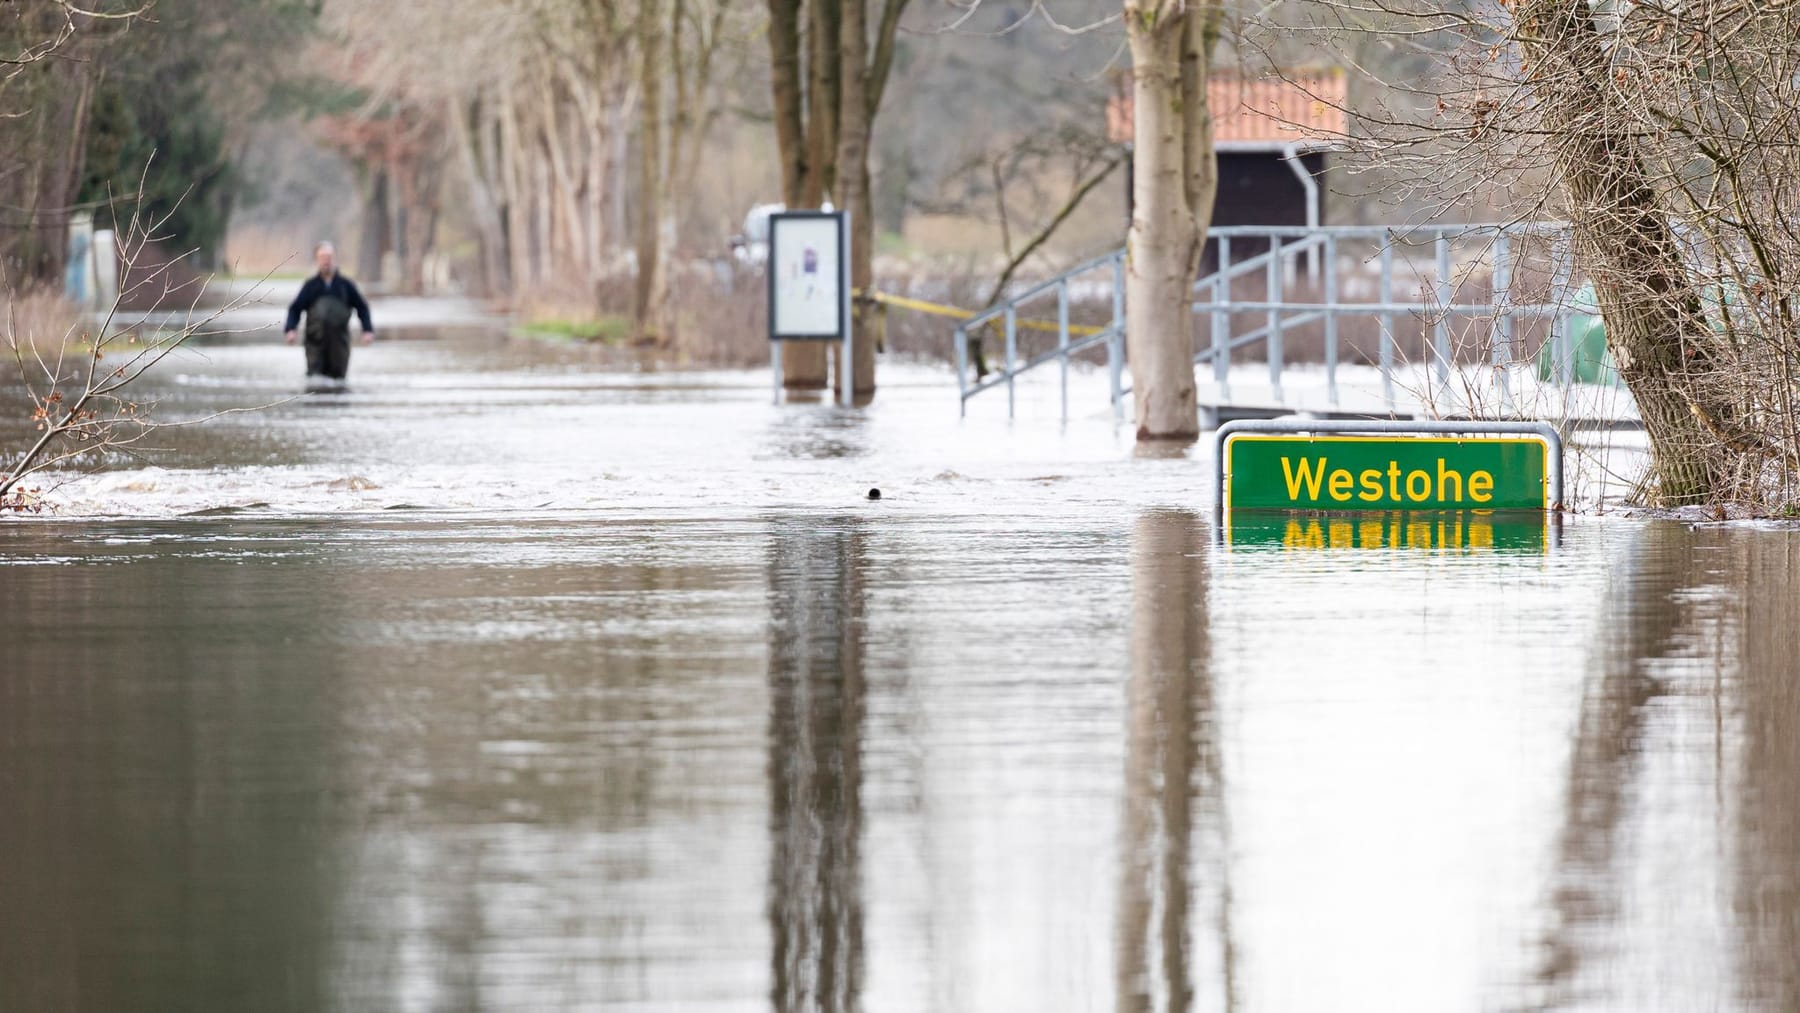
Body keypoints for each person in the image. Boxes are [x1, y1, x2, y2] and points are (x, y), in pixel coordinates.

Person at [284, 242, 374, 380]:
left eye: (329, 257)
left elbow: (362, 307)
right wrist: (291, 329)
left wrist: (367, 330)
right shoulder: (311, 286)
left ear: (334, 259)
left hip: (339, 344)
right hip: (315, 343)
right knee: (316, 380)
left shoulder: (346, 285)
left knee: (338, 381)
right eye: (322, 257)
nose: (326, 260)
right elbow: (295, 309)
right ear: (317, 260)